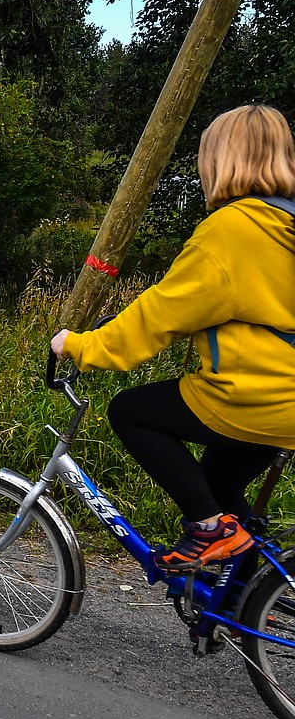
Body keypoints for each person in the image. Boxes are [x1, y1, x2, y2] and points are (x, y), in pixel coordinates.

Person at [51, 103, 295, 572]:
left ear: (221, 160)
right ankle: (242, 605)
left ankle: (208, 532)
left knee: (132, 412)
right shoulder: (285, 222)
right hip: (284, 403)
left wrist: (82, 346)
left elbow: (161, 313)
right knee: (218, 491)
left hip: (253, 397)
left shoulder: (232, 230)